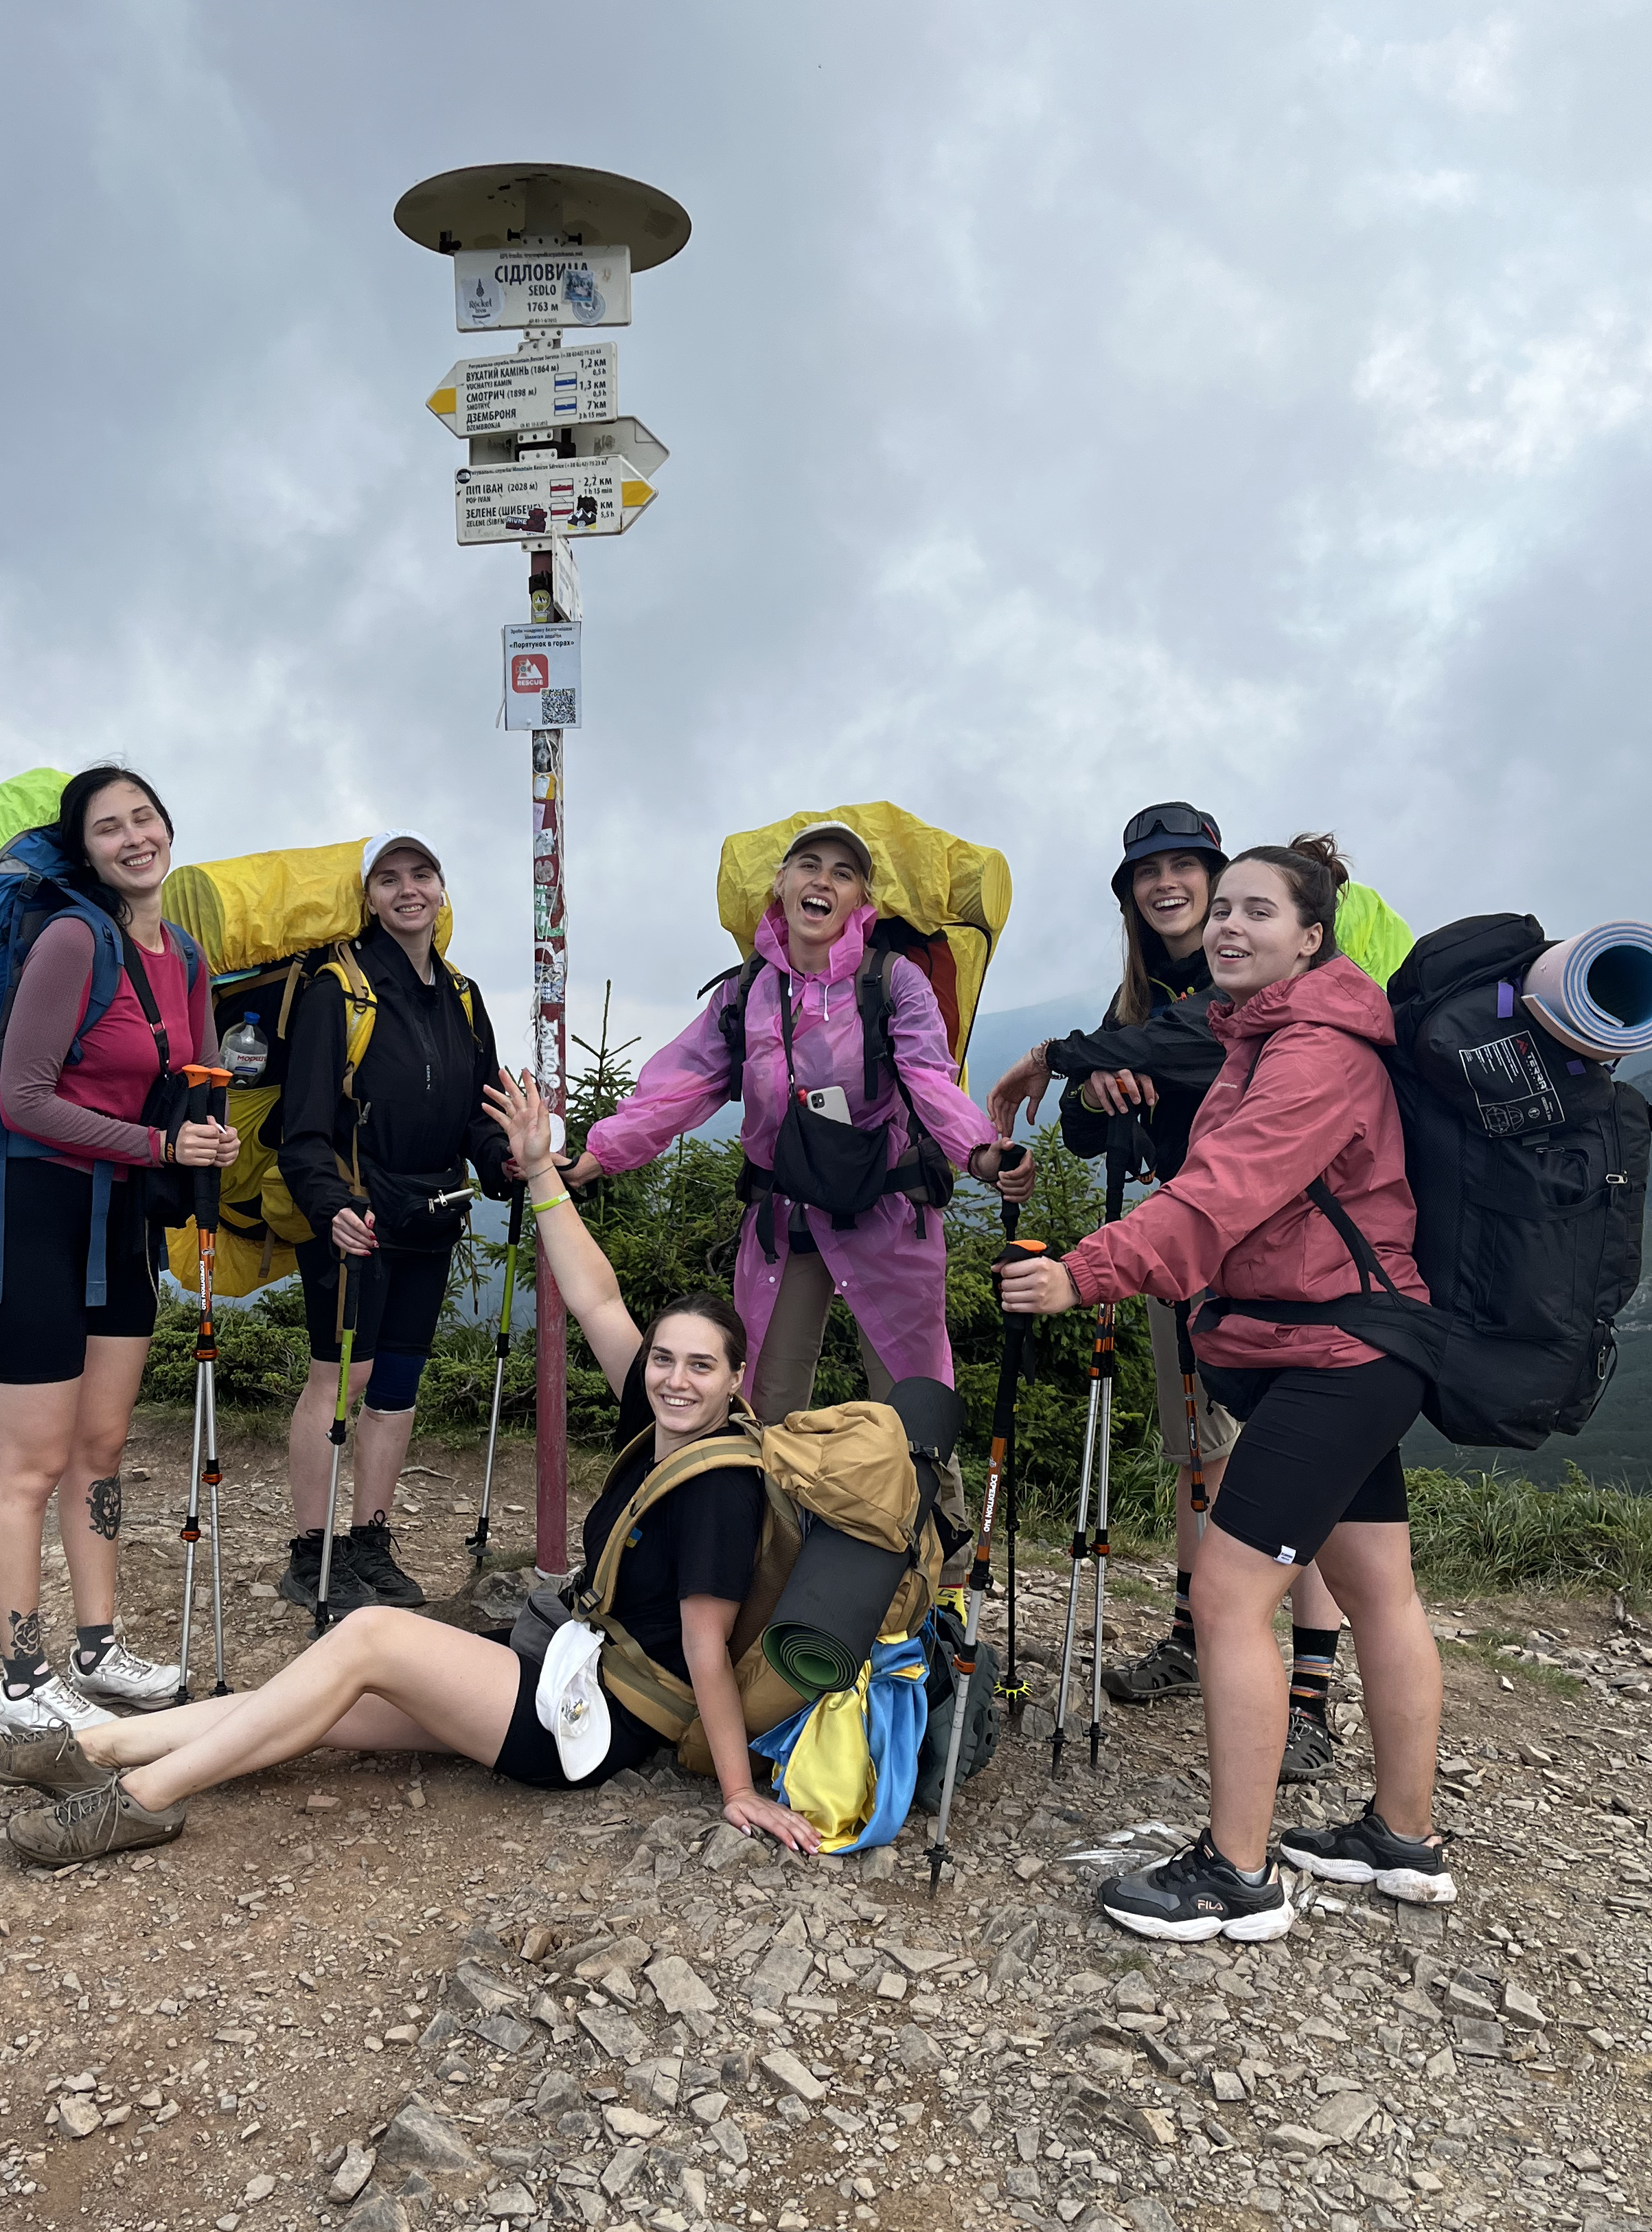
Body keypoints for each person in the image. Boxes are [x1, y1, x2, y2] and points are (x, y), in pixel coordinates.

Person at [0, 1067, 825, 1868]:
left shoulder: (719, 1482)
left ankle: (140, 1802)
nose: (673, 1379)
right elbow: (596, 1297)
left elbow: (706, 1652)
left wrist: (738, 1791)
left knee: (365, 1636)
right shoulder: (661, 1424)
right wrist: (542, 1171)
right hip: (561, 1666)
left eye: (700, 1367)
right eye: (665, 1360)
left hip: (591, 1722)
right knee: (314, 1696)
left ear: (737, 1379)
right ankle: (90, 1753)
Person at [998, 836, 1455, 1942]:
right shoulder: (1261, 1033)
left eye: (1258, 910)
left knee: (1228, 1595)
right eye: (1224, 913)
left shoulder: (1314, 1056)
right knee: (1382, 1591)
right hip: (1350, 1349)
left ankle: (1238, 1876)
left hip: (1334, 1361)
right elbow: (1155, 1066)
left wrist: (1081, 1272)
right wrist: (1067, 1062)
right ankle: (1403, 1840)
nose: (1228, 926)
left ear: (1313, 937)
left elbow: (1218, 1199)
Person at [568, 821, 1031, 1435]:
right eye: (809, 865)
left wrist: (982, 1155)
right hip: (784, 1218)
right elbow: (681, 1087)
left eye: (844, 873)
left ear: (862, 899)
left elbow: (929, 1078)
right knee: (764, 1403)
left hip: (886, 1206)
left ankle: (932, 1532)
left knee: (914, 1404)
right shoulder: (745, 993)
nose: (823, 881)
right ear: (781, 883)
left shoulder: (893, 982)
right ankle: (765, 1530)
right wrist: (599, 1155)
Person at [0, 764, 240, 1739]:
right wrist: (165, 1146)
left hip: (120, 1218)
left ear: (168, 827)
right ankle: (20, 1678)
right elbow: (25, 1095)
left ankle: (95, 1647)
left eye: (144, 818)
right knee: (31, 1463)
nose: (133, 838)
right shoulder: (72, 940)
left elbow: (193, 1089)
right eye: (108, 827)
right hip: (32, 1208)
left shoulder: (190, 959)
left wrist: (207, 1138)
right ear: (84, 850)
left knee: (103, 1449)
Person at [274, 832, 514, 1613]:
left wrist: (505, 1162)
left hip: (431, 1215)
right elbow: (303, 1127)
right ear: (369, 896)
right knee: (341, 1379)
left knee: (398, 1382)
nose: (409, 890)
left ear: (443, 890)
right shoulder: (335, 991)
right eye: (390, 879)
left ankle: (369, 1543)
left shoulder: (464, 997)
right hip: (355, 1219)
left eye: (423, 875)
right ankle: (312, 1554)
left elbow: (478, 1115)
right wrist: (331, 1208)